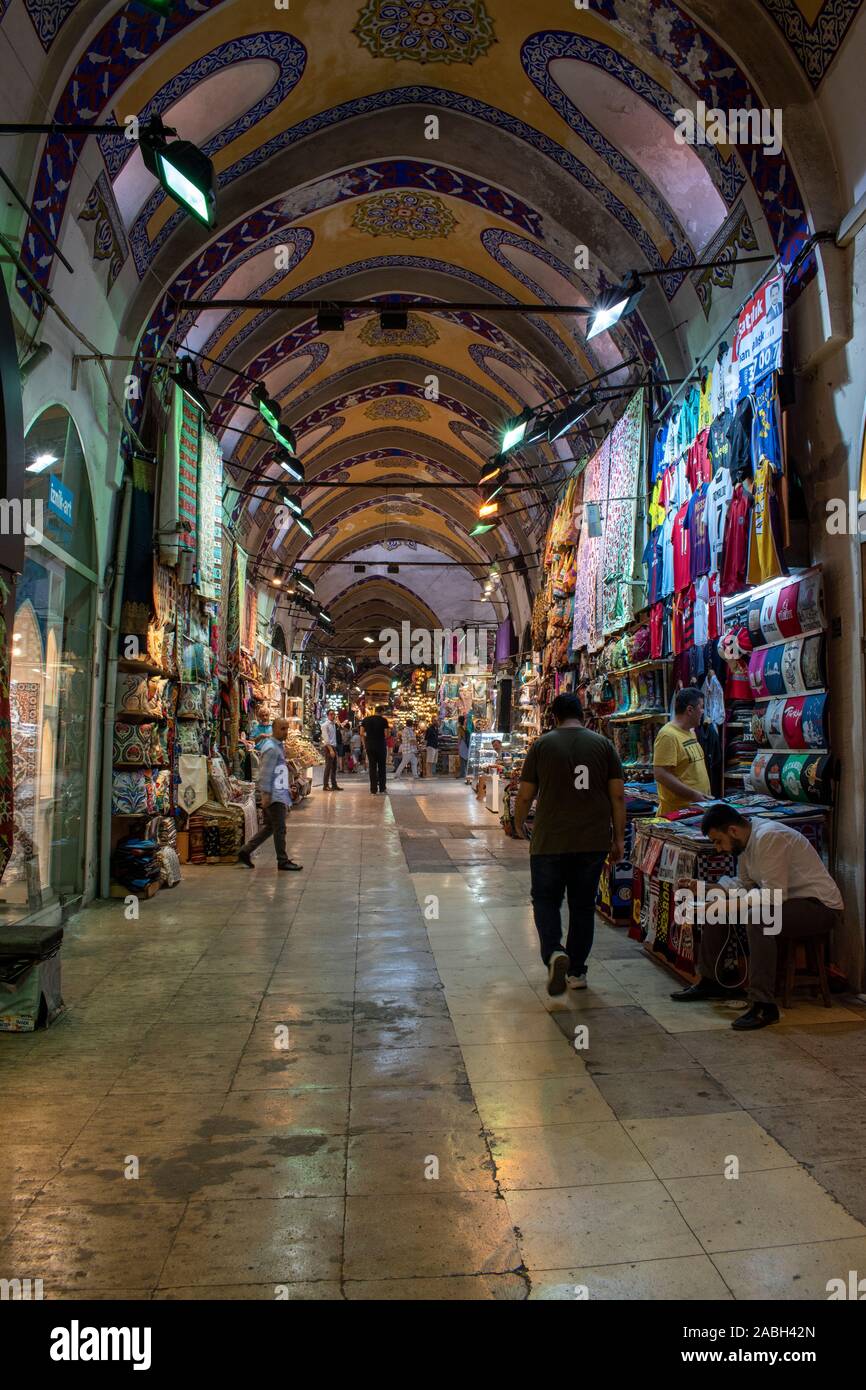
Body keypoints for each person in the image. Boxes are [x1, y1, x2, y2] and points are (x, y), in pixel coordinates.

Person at [671, 803, 844, 1030]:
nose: (719, 849)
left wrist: (729, 905)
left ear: (732, 830)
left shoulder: (770, 837)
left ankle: (764, 1005)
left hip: (819, 907)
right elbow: (743, 885)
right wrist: (702, 888)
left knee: (759, 918)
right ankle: (711, 981)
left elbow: (773, 896)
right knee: (715, 908)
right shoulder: (745, 844)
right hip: (787, 902)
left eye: (718, 841)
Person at [513, 693, 625, 995]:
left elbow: (525, 795)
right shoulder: (603, 746)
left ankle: (553, 952)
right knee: (583, 906)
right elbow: (617, 796)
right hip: (592, 841)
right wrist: (618, 838)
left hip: (549, 839)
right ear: (584, 716)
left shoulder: (542, 745)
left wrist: (518, 822)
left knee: (546, 901)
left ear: (553, 717)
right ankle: (576, 972)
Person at [237, 718, 302, 872]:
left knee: (270, 827)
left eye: (287, 728)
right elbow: (265, 773)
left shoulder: (277, 746)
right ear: (273, 729)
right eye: (282, 728)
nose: (285, 732)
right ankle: (282, 860)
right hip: (274, 795)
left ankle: (245, 851)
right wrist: (266, 794)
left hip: (278, 792)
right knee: (280, 828)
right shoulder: (272, 748)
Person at [652, 687, 712, 815]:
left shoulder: (690, 731)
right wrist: (693, 795)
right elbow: (661, 774)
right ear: (690, 710)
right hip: (677, 814)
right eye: (701, 707)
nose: (703, 711)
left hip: (696, 809)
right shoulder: (668, 735)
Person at [362, 704, 389, 794]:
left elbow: (361, 733)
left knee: (372, 767)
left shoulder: (366, 720)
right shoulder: (384, 720)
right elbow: (386, 735)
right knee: (382, 767)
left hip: (370, 746)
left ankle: (373, 789)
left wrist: (366, 742)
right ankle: (382, 788)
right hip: (380, 745)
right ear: (382, 712)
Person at [320, 711, 342, 791]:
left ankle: (334, 784)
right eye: (331, 714)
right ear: (328, 715)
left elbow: (341, 729)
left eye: (334, 714)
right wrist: (331, 750)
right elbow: (326, 739)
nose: (333, 716)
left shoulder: (334, 725)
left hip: (334, 747)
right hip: (328, 747)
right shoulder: (325, 725)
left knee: (334, 767)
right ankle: (325, 785)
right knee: (328, 767)